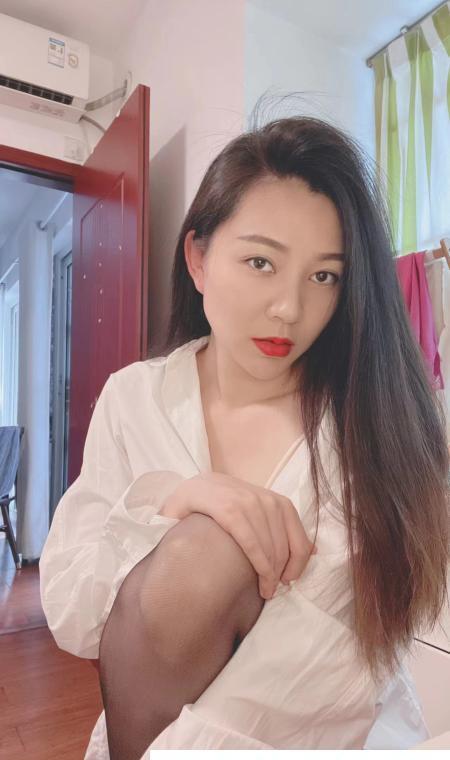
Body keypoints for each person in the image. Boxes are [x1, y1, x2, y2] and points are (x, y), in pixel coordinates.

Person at [39, 113, 449, 760]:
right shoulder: (135, 399)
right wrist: (174, 499)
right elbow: (74, 608)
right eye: (261, 262)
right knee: (202, 547)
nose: (290, 308)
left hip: (323, 740)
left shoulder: (374, 422)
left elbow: (359, 650)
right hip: (143, 734)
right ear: (198, 259)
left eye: (324, 276)